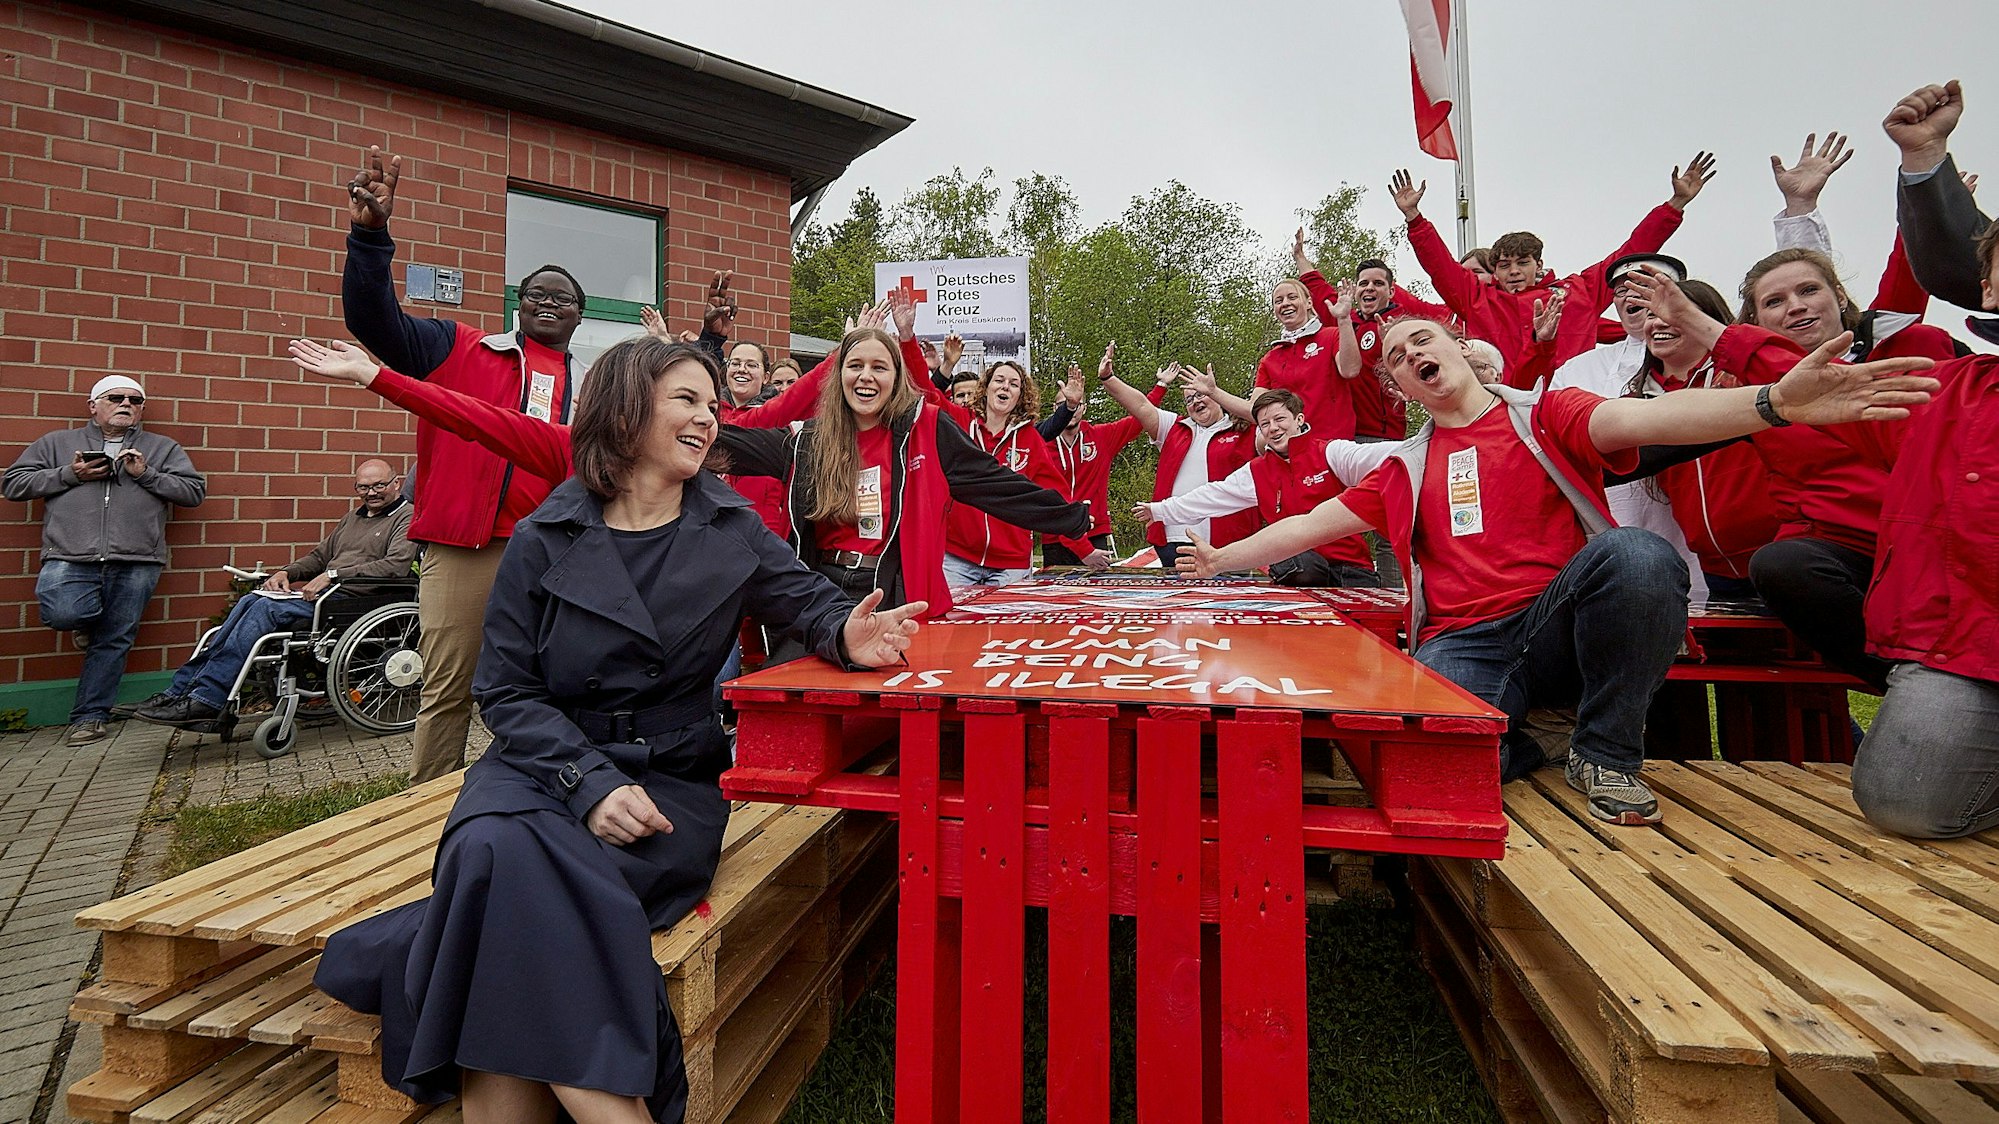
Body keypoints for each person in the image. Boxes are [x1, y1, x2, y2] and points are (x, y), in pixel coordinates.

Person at [314, 338, 925, 1124]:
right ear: (627, 409)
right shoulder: (544, 534)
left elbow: (808, 603)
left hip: (666, 785)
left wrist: (847, 637)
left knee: (495, 888)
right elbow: (504, 691)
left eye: (711, 404)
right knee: (495, 853)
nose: (708, 418)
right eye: (687, 400)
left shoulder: (731, 527)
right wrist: (588, 782)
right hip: (541, 768)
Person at [1175, 315, 1937, 824]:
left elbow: (1641, 421)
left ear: (1459, 348)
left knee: (1636, 555)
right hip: (1465, 640)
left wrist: (1771, 403)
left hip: (1558, 621)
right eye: (1397, 361)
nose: (1409, 357)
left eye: (1419, 341)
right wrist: (1215, 558)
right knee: (1419, 779)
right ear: (1398, 391)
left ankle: (1604, 753)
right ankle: (1531, 739)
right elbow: (1309, 524)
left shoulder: (1543, 414)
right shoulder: (1403, 465)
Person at [342, 145, 583, 784]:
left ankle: (533, 792)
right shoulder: (460, 348)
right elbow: (375, 321)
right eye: (537, 294)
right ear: (519, 303)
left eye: (563, 298)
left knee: (550, 680)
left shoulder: (595, 382)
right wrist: (371, 242)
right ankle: (423, 806)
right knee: (447, 686)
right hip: (466, 547)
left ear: (580, 315)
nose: (549, 303)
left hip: (558, 549)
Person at [716, 327, 1089, 631]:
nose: (866, 376)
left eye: (880, 367)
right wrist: (671, 430)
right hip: (825, 592)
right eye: (855, 365)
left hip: (896, 591)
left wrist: (1067, 517)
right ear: (839, 375)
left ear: (896, 379)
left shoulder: (926, 429)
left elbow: (996, 485)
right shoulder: (809, 439)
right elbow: (734, 445)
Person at [1829, 219, 1999, 840]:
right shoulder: (1946, 388)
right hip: (1970, 644)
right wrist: (1710, 332)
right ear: (1988, 289)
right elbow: (1829, 376)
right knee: (1901, 802)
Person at [1730, 244, 1962, 691]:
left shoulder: (1907, 351)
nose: (1795, 307)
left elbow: (1906, 289)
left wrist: (1925, 212)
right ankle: (1908, 686)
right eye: (1774, 302)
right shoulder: (1758, 394)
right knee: (1781, 564)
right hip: (1843, 547)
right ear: (1756, 324)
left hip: (1933, 543)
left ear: (1838, 295)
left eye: (1808, 290)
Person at [129, 460, 416, 730]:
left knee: (264, 610)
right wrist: (286, 573)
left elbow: (395, 565)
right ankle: (180, 692)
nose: (371, 493)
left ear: (395, 483)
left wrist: (332, 575)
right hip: (327, 596)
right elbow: (319, 557)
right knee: (251, 600)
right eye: (363, 488)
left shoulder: (407, 516)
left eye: (379, 485)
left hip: (358, 601)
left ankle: (208, 698)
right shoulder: (352, 517)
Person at [4, 375, 206, 745]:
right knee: (64, 612)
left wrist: (146, 475)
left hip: (137, 560)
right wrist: (71, 474)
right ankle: (86, 622)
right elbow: (14, 484)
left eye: (135, 400)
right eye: (116, 398)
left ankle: (89, 717)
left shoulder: (161, 448)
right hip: (69, 555)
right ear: (93, 406)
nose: (126, 404)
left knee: (114, 640)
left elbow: (193, 492)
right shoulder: (56, 443)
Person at [1390, 154, 1714, 381]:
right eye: (1504, 265)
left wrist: (1674, 205)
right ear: (1495, 271)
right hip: (1507, 408)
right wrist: (1414, 218)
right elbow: (1440, 267)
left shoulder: (1580, 291)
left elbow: (1630, 252)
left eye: (1522, 263)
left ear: (1539, 265)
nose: (1513, 271)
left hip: (1571, 403)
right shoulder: (1479, 300)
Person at [1614, 277, 1782, 601]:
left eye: (1675, 313)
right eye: (1650, 315)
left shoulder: (1742, 378)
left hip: (1780, 552)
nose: (1659, 322)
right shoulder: (1636, 402)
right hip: (1716, 570)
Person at [1135, 389, 1388, 587]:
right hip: (1300, 572)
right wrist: (1160, 511)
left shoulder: (1331, 452)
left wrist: (1426, 445)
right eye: (1265, 424)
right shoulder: (1257, 471)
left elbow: (1384, 455)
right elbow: (1212, 495)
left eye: (1280, 419)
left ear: (1299, 419)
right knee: (1294, 561)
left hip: (1350, 568)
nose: (1273, 428)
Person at [1095, 348, 1258, 569]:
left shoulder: (1244, 431)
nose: (1195, 402)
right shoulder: (1174, 427)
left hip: (1229, 541)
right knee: (1179, 601)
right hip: (1174, 539)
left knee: (1228, 602)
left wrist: (1218, 392)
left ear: (1216, 396)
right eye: (1189, 399)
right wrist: (1109, 378)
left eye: (1201, 395)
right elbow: (1141, 405)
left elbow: (1266, 416)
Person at [1035, 361, 1146, 569]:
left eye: (1077, 405)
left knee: (1094, 598)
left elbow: (1142, 417)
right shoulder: (1040, 442)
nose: (1072, 410)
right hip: (1055, 536)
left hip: (1094, 532)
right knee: (1055, 598)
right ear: (1054, 409)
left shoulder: (1100, 436)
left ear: (1084, 407)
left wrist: (1160, 387)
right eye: (1064, 405)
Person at [1254, 231, 1361, 439]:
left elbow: (1350, 370)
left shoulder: (1331, 336)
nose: (1285, 303)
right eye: (1279, 300)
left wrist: (1344, 319)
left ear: (1309, 303)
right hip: (1292, 452)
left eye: (1292, 297)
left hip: (1333, 448)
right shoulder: (1270, 358)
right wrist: (1214, 393)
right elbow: (1254, 408)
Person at [1343, 256, 1455, 443]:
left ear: (1391, 291)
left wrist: (1391, 345)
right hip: (1342, 432)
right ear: (1356, 290)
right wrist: (1299, 257)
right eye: (1364, 283)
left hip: (1380, 435)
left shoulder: (1404, 327)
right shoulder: (1346, 323)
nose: (1369, 287)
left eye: (1378, 283)